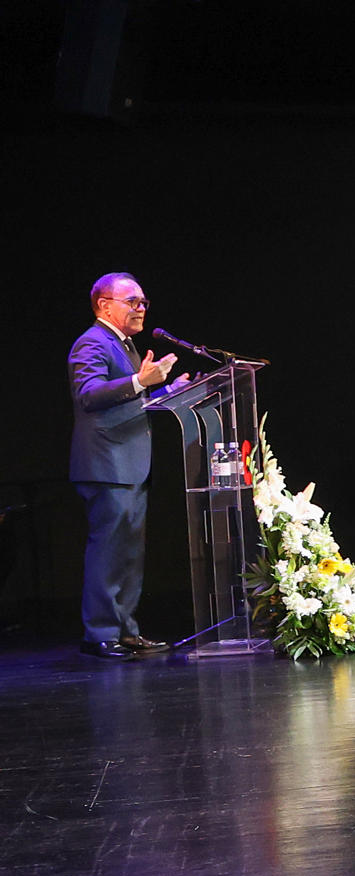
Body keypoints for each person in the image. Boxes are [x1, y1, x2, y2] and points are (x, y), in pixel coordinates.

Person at [69, 272, 188, 658]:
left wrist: (167, 390)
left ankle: (125, 630)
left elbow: (130, 402)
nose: (140, 308)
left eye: (143, 302)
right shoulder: (92, 342)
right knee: (109, 551)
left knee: (129, 555)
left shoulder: (125, 345)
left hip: (130, 465)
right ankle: (99, 634)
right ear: (104, 305)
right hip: (107, 464)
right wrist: (140, 381)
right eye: (132, 301)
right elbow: (89, 395)